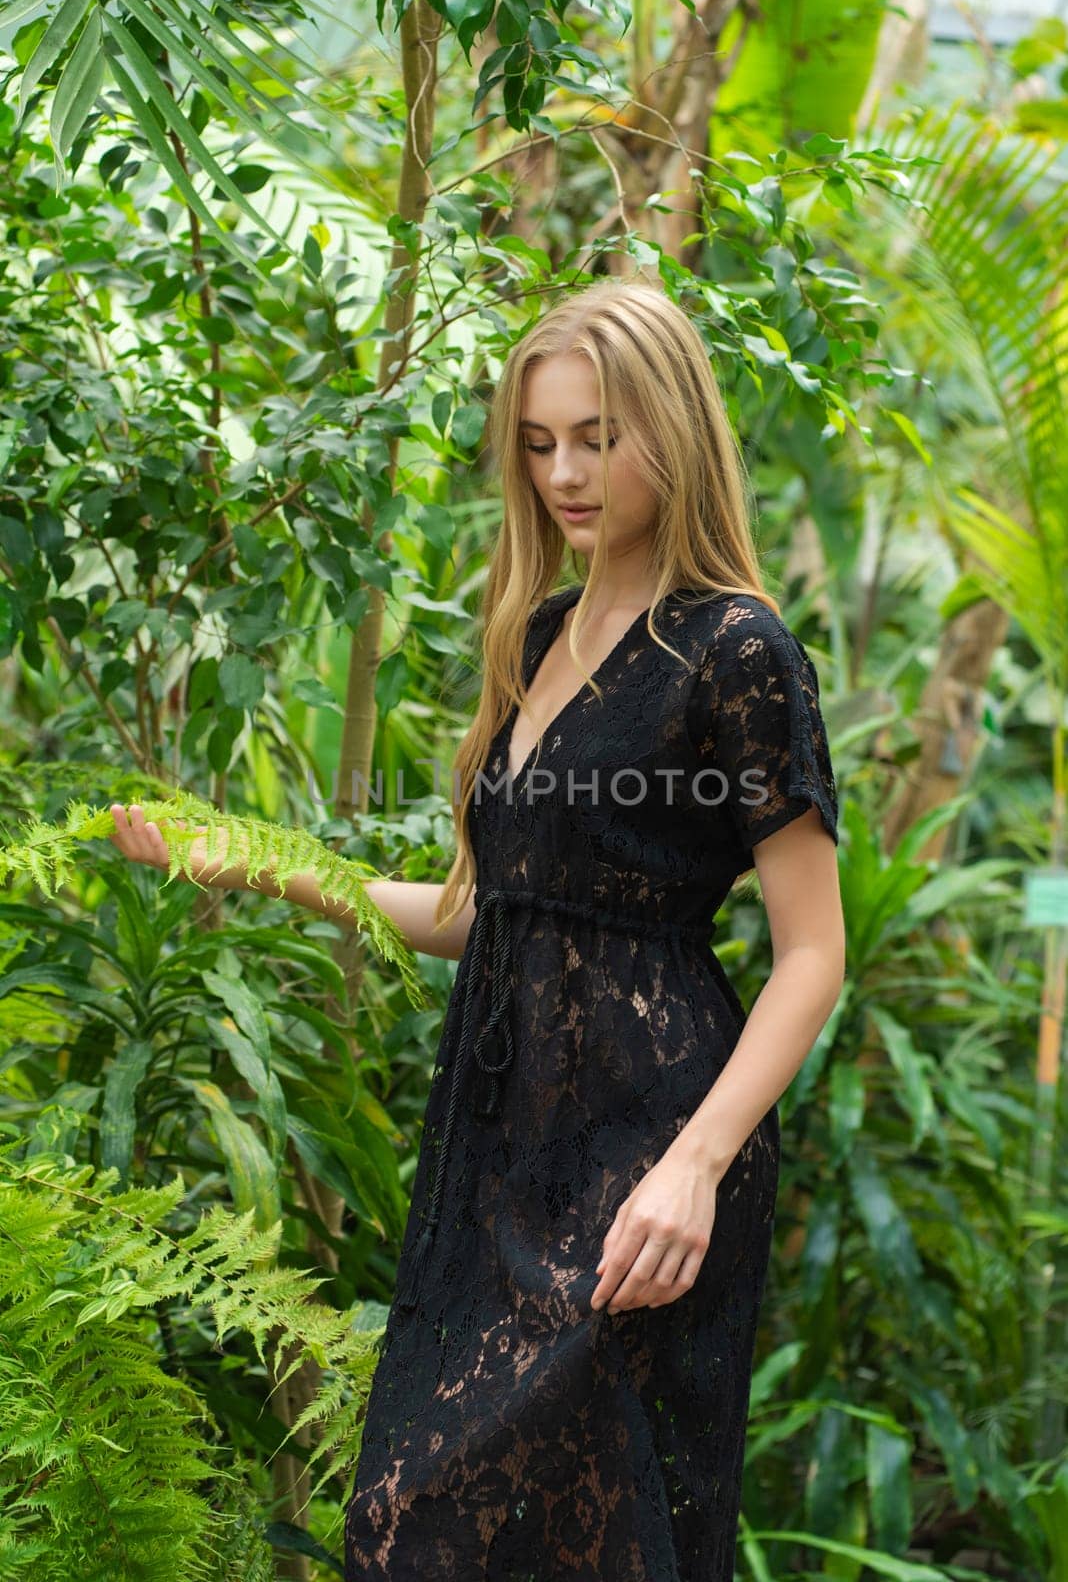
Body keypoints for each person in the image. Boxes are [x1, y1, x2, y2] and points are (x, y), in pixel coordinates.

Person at [111, 279, 845, 1581]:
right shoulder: (548, 633)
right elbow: (480, 916)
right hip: (506, 1145)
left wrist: (695, 1165)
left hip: (649, 1144)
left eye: (599, 436)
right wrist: (251, 863)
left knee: (509, 1528)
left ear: (671, 429)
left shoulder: (737, 648)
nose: (566, 471)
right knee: (442, 1524)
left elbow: (812, 953)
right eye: (540, 440)